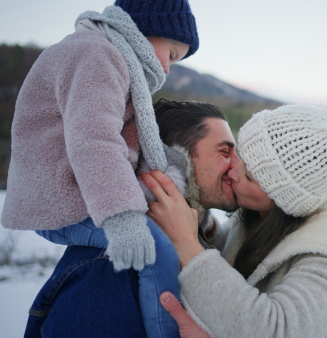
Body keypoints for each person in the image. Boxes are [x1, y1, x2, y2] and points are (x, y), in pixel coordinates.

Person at [2, 0, 200, 336]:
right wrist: (122, 217)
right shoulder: (97, 55)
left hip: (76, 193)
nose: (167, 69)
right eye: (172, 55)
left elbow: (119, 139)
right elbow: (94, 140)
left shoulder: (109, 56)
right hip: (61, 198)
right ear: (149, 30)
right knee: (159, 253)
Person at [142, 104, 327, 337]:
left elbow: (278, 331)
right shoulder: (266, 215)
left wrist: (188, 246)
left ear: (283, 198)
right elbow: (245, 254)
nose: (233, 171)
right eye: (240, 157)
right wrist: (203, 226)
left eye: (249, 176)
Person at [23, 99, 238, 338]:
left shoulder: (190, 245)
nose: (237, 165)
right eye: (224, 152)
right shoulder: (111, 267)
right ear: (176, 161)